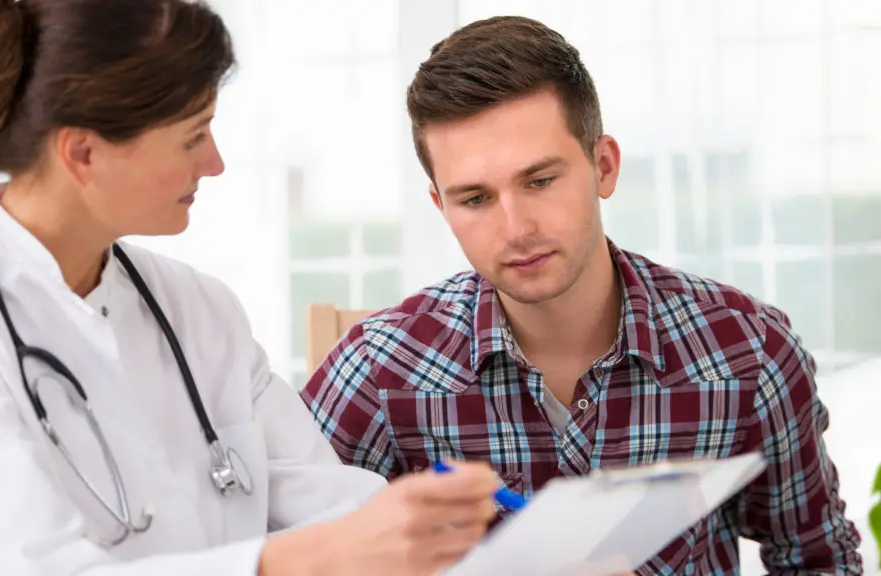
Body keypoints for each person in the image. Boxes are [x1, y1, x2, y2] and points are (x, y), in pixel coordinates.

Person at [0, 1, 501, 574]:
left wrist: (458, 540)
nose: (214, 161)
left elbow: (330, 507)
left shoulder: (198, 310)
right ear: (83, 154)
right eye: (193, 135)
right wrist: (293, 560)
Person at [301, 15, 864, 575]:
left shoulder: (748, 350)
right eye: (475, 199)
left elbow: (819, 562)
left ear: (604, 166)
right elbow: (284, 555)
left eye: (540, 181)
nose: (516, 228)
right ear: (440, 207)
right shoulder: (379, 369)